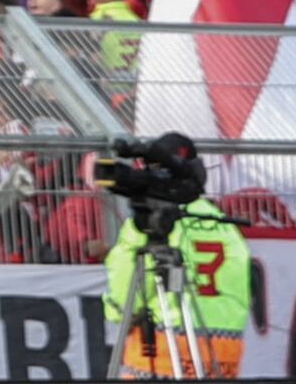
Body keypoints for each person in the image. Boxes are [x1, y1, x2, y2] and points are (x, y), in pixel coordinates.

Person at [97, 137, 252, 379]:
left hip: (162, 353)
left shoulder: (148, 225)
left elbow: (125, 298)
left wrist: (116, 310)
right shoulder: (225, 226)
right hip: (224, 353)